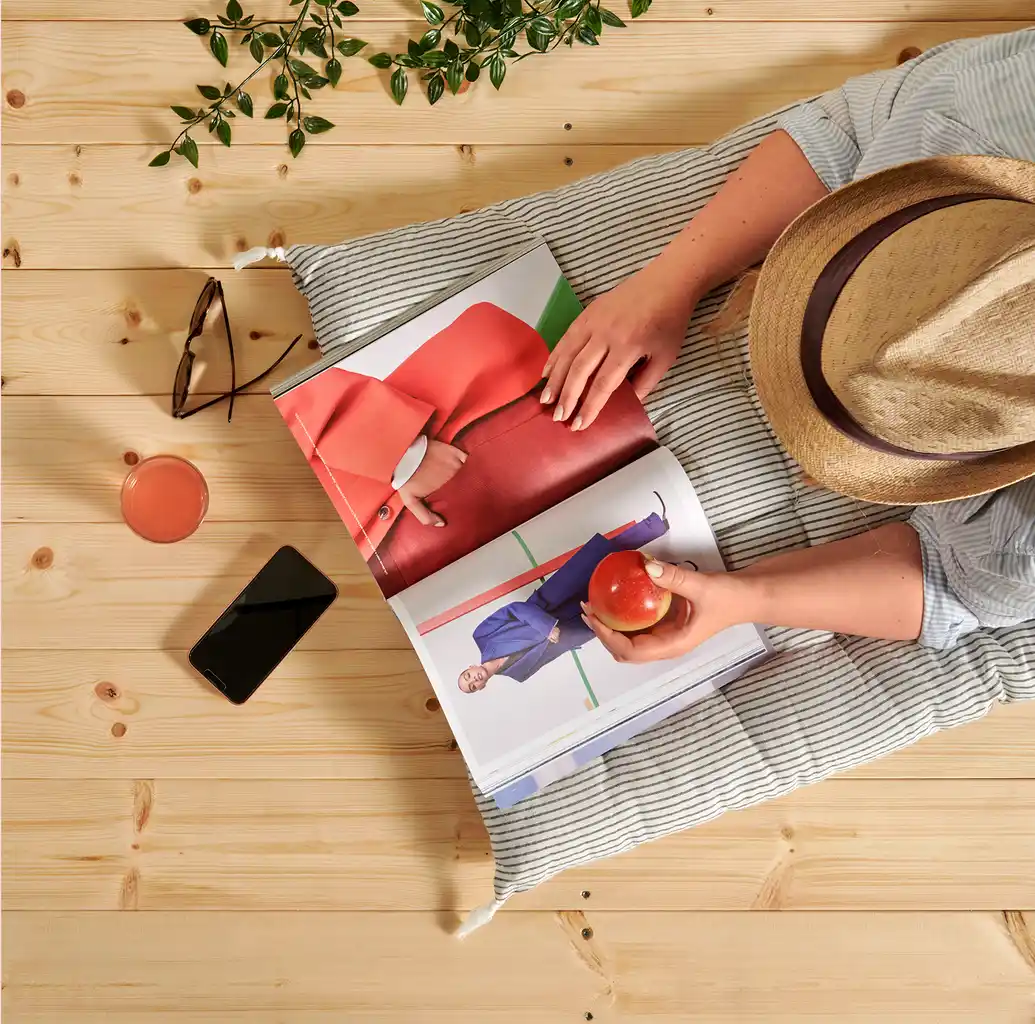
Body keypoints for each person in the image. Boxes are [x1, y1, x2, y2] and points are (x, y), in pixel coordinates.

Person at [556, 28, 1035, 661]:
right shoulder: (994, 104)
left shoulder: (1023, 539)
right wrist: (669, 282)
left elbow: (957, 588)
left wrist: (744, 600)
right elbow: (846, 128)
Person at [275, 301, 655, 596]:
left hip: (459, 436)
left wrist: (403, 454)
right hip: (425, 562)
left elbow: (294, 405)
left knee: (614, 406)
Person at [458, 510, 669, 692]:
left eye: (468, 677)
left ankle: (653, 526)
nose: (474, 680)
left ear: (469, 667)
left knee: (602, 560)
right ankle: (667, 570)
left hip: (551, 600)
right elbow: (551, 654)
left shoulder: (482, 636)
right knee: (620, 598)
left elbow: (514, 609)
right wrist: (575, 636)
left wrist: (547, 628)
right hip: (572, 626)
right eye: (474, 686)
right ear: (482, 687)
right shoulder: (518, 674)